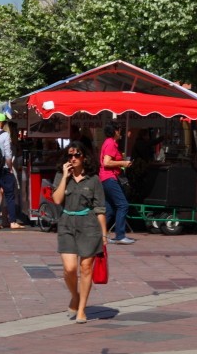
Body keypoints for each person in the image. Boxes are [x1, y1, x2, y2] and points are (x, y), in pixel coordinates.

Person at [53, 142, 107, 324]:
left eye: (77, 155)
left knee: (85, 268)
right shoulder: (62, 176)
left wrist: (104, 235)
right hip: (67, 223)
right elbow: (57, 199)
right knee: (69, 269)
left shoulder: (93, 180)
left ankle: (82, 308)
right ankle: (75, 296)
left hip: (89, 226)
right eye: (70, 156)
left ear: (85, 157)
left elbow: (100, 209)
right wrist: (64, 178)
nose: (73, 159)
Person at [0, 113, 24, 230]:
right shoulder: (5, 134)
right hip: (3, 168)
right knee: (9, 195)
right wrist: (10, 167)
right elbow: (8, 154)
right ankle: (12, 221)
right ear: (2, 123)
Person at [100, 123, 135, 245]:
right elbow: (107, 162)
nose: (121, 133)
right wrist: (123, 163)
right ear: (115, 131)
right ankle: (120, 235)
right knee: (123, 205)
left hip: (106, 178)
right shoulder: (110, 143)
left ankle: (98, 234)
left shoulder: (109, 143)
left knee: (110, 209)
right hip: (109, 178)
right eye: (120, 130)